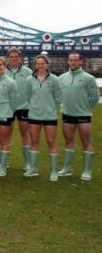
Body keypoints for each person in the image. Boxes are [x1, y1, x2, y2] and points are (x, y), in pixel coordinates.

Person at [58, 51, 99, 181]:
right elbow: (59, 96)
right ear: (68, 61)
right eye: (71, 60)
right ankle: (67, 169)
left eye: (76, 60)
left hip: (83, 116)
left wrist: (87, 109)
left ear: (81, 61)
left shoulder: (89, 78)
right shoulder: (62, 78)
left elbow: (95, 98)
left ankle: (87, 171)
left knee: (86, 142)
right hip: (67, 114)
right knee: (68, 141)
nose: (73, 62)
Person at [24, 54, 63, 181]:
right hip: (34, 115)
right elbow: (28, 97)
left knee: (51, 142)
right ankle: (33, 169)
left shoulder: (55, 80)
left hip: (49, 116)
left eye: (43, 63)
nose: (40, 65)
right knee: (34, 142)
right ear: (35, 65)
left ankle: (54, 172)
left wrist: (52, 109)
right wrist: (33, 108)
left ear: (47, 64)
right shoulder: (29, 79)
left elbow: (58, 98)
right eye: (38, 63)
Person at [5, 48, 33, 174]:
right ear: (8, 58)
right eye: (11, 56)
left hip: (24, 107)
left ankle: (27, 163)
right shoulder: (2, 70)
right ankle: (4, 162)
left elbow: (34, 88)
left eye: (16, 56)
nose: (14, 58)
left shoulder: (28, 71)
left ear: (20, 58)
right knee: (6, 136)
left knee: (25, 135)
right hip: (7, 108)